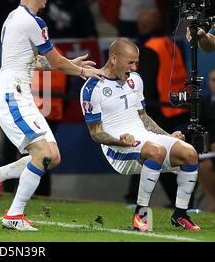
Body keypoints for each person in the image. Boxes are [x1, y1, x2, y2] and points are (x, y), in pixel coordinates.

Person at [0, 0, 105, 231]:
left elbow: (33, 61)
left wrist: (67, 63)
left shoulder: (15, 17)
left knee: (53, 157)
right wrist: (82, 70)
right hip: (11, 94)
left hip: (18, 93)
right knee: (41, 154)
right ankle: (14, 215)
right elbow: (56, 61)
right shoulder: (31, 21)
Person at [80, 38, 201, 231]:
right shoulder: (92, 87)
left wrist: (169, 136)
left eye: (136, 62)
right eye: (130, 62)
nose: (134, 67)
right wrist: (118, 140)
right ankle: (141, 215)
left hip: (144, 137)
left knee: (190, 153)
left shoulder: (135, 80)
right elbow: (96, 134)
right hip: (116, 149)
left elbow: (143, 117)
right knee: (157, 151)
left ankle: (180, 214)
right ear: (113, 58)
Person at [123, 9, 190, 208]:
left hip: (158, 109)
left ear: (145, 25)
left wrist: (141, 107)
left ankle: (135, 198)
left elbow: (148, 81)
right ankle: (175, 199)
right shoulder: (171, 43)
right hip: (175, 107)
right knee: (162, 155)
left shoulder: (151, 47)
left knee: (147, 152)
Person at [199, 69, 215, 212]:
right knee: (204, 166)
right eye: (213, 80)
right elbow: (201, 128)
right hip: (211, 152)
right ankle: (213, 204)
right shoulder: (204, 105)